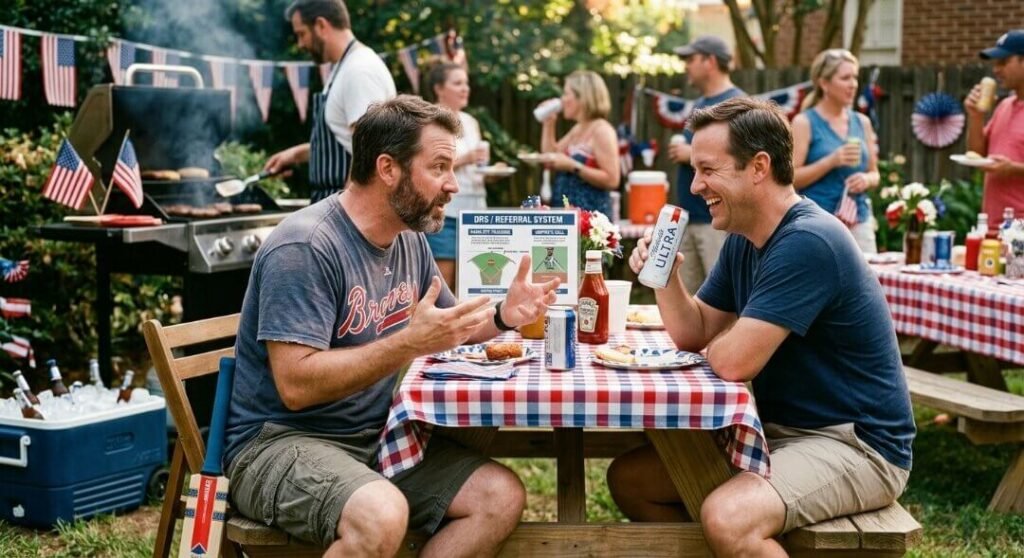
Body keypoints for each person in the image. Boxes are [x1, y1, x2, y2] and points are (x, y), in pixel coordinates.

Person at [225, 96, 559, 557]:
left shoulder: (408, 240)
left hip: (373, 439)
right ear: (388, 168)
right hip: (279, 443)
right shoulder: (305, 247)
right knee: (381, 514)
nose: (453, 184)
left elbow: (450, 324)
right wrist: (408, 344)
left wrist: (506, 313)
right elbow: (296, 386)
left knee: (498, 497)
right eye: (439, 167)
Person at [606, 98, 914, 557]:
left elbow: (733, 363)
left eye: (708, 169)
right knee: (632, 482)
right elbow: (695, 332)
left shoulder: (808, 240)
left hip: (856, 445)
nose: (695, 185)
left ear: (758, 167)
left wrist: (723, 346)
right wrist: (663, 275)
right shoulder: (746, 237)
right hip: (778, 433)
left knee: (728, 518)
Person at [263, 0, 396, 202]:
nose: (300, 44)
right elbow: (344, 143)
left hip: (349, 209)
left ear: (321, 25)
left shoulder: (359, 70)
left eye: (301, 34)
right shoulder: (344, 68)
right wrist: (296, 155)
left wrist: (343, 213)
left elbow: (369, 149)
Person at [669, 35, 746, 292]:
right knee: (689, 299)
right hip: (689, 217)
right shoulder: (698, 105)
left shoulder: (738, 104)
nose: (686, 66)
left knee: (724, 298)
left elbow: (742, 158)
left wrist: (689, 153)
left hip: (720, 221)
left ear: (710, 61)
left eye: (691, 59)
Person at [793, 49, 881, 253]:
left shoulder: (862, 122)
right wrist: (831, 161)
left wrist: (866, 180)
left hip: (859, 221)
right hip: (818, 224)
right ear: (824, 83)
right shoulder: (804, 122)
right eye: (845, 78)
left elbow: (875, 173)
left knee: (867, 273)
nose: (853, 84)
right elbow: (791, 179)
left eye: (855, 77)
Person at [425, 63, 491, 290]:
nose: (465, 89)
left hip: (476, 214)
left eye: (466, 83)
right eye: (457, 83)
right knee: (442, 288)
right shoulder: (429, 120)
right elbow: (427, 164)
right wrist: (466, 158)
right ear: (439, 88)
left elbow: (476, 167)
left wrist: (489, 174)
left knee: (475, 285)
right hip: (447, 213)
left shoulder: (470, 122)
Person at [540, 70, 621, 216]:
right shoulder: (578, 128)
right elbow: (550, 156)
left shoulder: (601, 130)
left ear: (582, 97)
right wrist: (549, 123)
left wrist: (573, 166)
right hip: (567, 216)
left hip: (591, 218)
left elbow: (612, 180)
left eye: (566, 94)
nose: (562, 100)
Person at [965, 29, 1024, 225]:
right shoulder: (1004, 106)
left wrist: (1013, 169)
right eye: (995, 63)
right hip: (993, 225)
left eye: (1003, 62)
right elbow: (976, 154)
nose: (996, 70)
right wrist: (976, 116)